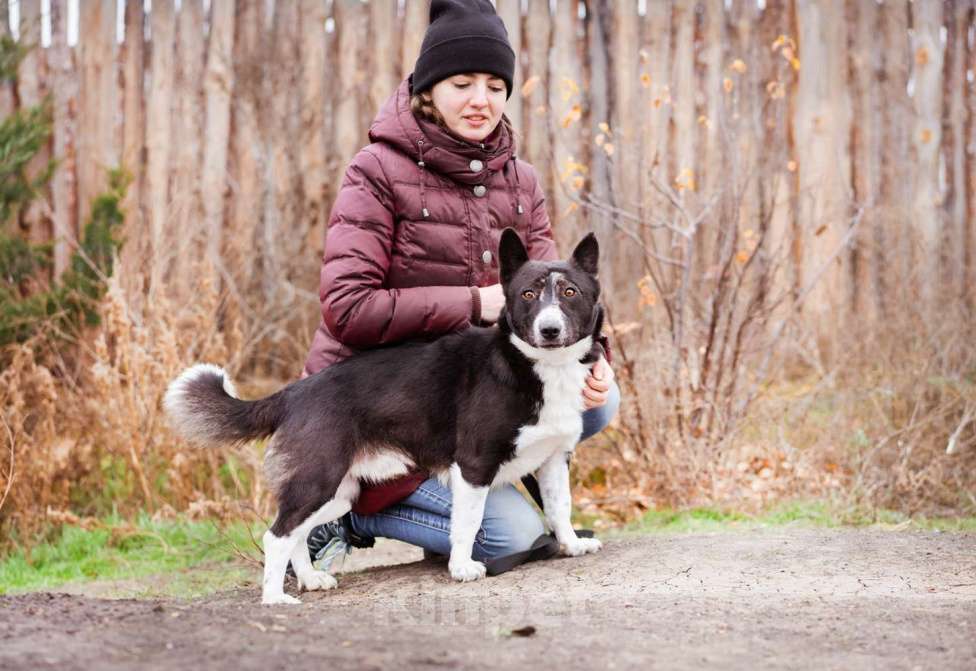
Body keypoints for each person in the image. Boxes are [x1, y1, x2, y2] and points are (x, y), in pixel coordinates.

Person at [300, 0, 620, 573]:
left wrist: (597, 360)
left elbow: (561, 293)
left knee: (597, 404)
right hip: (383, 407)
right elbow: (348, 307)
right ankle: (351, 511)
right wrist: (474, 303)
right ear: (428, 89)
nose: (481, 100)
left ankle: (479, 486)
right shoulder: (375, 171)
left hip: (476, 393)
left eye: (495, 86)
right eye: (462, 83)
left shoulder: (521, 180)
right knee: (511, 540)